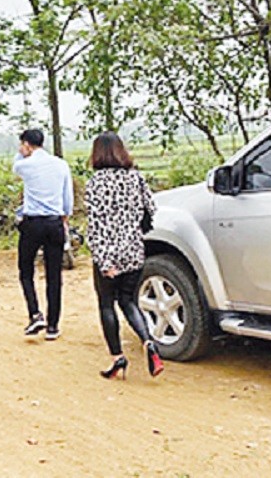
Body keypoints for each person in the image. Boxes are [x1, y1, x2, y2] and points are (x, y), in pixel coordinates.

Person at [84, 132, 164, 380]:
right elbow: (151, 208)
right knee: (129, 301)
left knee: (106, 304)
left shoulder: (95, 183)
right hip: (133, 250)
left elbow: (95, 225)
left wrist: (104, 260)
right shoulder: (135, 178)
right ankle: (148, 342)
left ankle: (117, 358)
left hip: (108, 253)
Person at [12, 129, 73, 340]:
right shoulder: (60, 164)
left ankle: (35, 313)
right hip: (55, 222)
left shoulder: (24, 165)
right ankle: (53, 326)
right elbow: (68, 196)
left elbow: (15, 165)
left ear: (27, 144)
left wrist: (22, 152)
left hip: (33, 224)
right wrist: (65, 216)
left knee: (26, 269)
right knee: (54, 275)